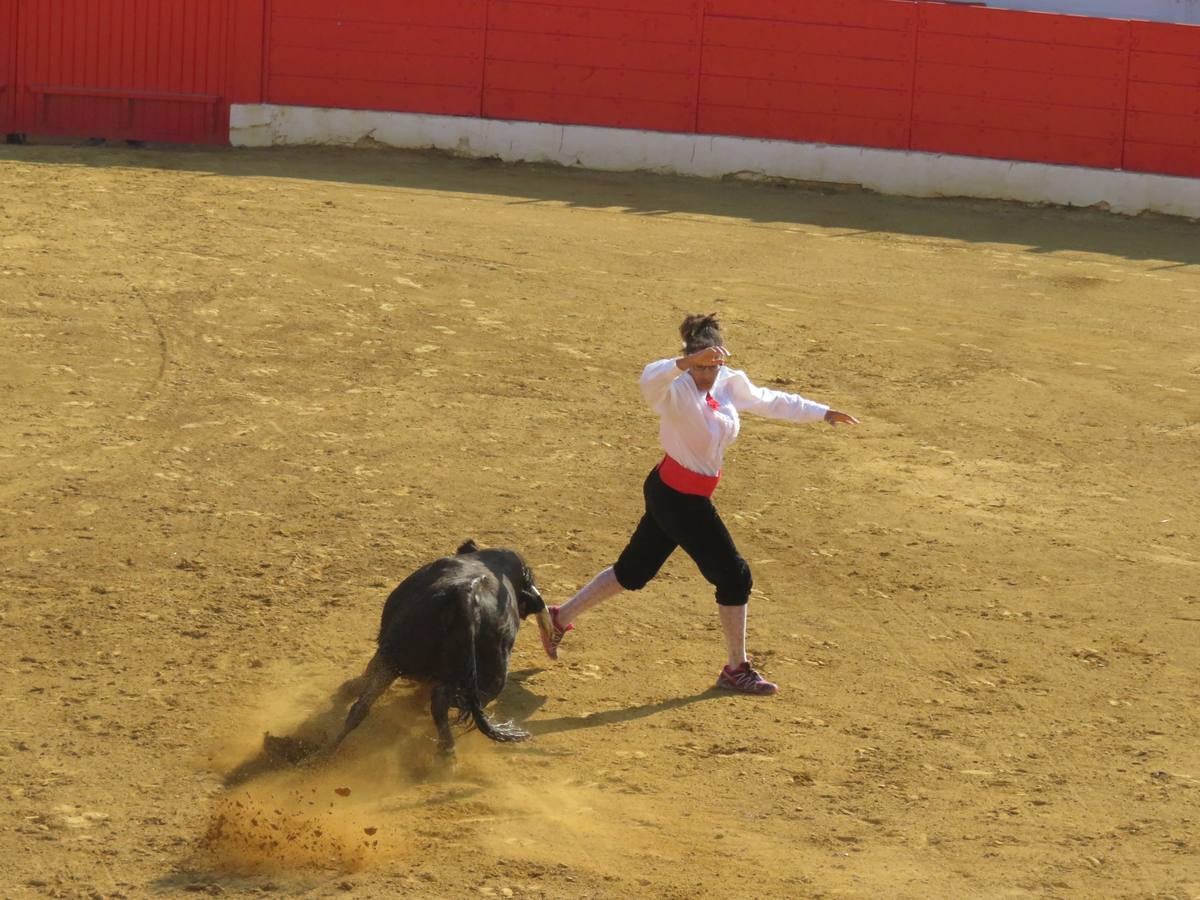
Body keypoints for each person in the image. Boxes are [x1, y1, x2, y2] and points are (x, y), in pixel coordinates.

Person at [542, 312, 858, 694]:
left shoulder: (727, 382)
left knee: (634, 571)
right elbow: (648, 377)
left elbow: (769, 400)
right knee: (734, 575)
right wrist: (687, 365)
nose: (710, 372)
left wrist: (821, 412)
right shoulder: (671, 388)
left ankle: (559, 617)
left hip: (675, 491)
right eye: (702, 364)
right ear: (691, 358)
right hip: (677, 498)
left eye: (715, 364)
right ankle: (736, 668)